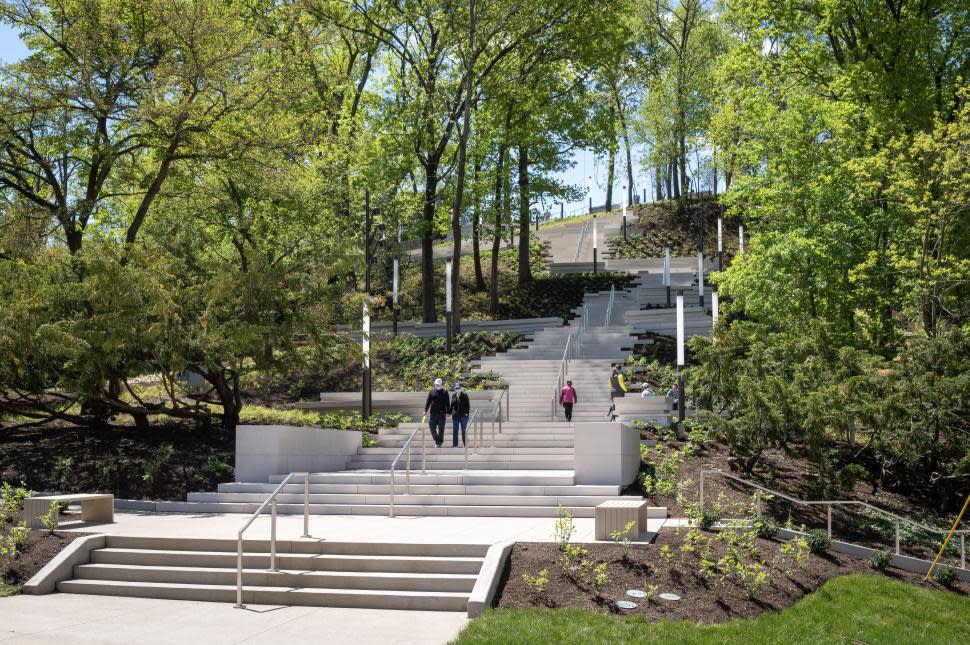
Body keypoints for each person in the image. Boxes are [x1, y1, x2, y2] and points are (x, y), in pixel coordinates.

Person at [424, 378, 449, 447]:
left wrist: (448, 412)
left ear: (441, 384)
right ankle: (438, 440)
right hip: (433, 414)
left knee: (441, 429)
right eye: (435, 384)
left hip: (442, 414)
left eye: (438, 384)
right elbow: (428, 402)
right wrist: (425, 410)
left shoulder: (445, 392)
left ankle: (439, 444)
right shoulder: (432, 391)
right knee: (432, 427)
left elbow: (448, 403)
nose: (436, 385)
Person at [449, 383, 471, 447]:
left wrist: (467, 413)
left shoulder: (465, 395)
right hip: (455, 416)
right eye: (456, 388)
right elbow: (452, 405)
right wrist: (449, 413)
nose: (457, 389)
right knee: (455, 430)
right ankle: (455, 445)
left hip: (463, 415)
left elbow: (468, 405)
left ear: (461, 388)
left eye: (458, 388)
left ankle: (465, 444)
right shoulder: (453, 395)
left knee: (464, 430)